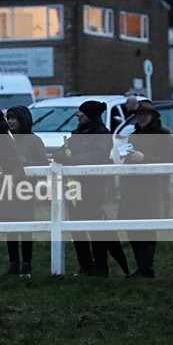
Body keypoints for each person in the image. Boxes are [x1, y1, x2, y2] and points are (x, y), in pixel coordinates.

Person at [54, 100, 129, 277]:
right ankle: (85, 265)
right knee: (76, 227)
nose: (77, 115)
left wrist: (71, 160)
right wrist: (63, 156)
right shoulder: (76, 134)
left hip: (94, 189)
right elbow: (59, 152)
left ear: (91, 115)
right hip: (74, 188)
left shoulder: (103, 134)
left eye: (81, 112)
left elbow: (98, 155)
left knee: (95, 228)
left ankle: (101, 267)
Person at [118, 101, 173, 278]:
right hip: (132, 188)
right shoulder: (134, 135)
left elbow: (169, 161)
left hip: (152, 188)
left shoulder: (164, 135)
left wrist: (145, 158)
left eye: (146, 115)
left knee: (148, 228)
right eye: (139, 115)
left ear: (153, 116)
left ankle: (146, 267)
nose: (142, 118)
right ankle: (141, 266)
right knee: (131, 228)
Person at [0, 105, 48, 278]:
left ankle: (27, 263)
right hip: (7, 189)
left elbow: (44, 165)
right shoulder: (6, 140)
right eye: (8, 118)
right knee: (10, 227)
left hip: (25, 190)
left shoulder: (33, 140)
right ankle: (13, 263)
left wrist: (27, 162)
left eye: (14, 118)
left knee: (26, 227)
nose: (10, 122)